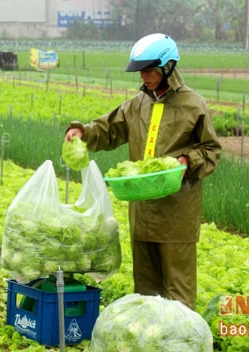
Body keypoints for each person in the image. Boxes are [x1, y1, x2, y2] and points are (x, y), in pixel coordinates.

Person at [64, 33, 221, 310]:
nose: (144, 76)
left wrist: (187, 161)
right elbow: (109, 129)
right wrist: (82, 132)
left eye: (149, 70)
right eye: (141, 71)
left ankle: (182, 341)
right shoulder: (138, 103)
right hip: (142, 212)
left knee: (178, 292)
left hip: (176, 214)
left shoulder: (193, 104)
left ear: (168, 67)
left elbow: (211, 150)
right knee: (146, 292)